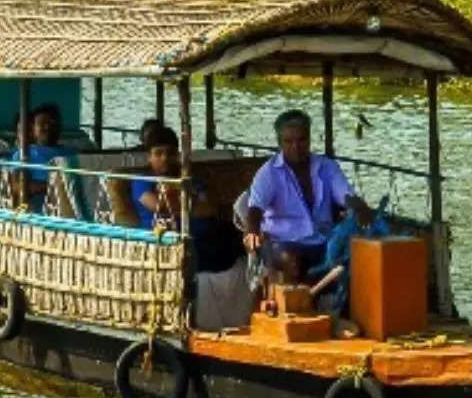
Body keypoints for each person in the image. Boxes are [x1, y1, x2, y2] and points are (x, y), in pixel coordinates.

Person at [243, 109, 372, 279]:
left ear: (309, 139)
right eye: (288, 141)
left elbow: (346, 195)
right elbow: (255, 210)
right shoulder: (268, 172)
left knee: (362, 256)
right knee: (292, 260)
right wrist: (252, 232)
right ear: (280, 143)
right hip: (282, 242)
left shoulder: (327, 167)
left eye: (301, 140)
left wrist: (359, 207)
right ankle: (296, 304)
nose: (296, 147)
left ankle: (343, 305)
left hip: (323, 240)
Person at [130, 126, 242, 273]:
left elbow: (209, 209)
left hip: (206, 235)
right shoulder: (142, 181)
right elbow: (158, 205)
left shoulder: (191, 180)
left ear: (177, 155)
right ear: (149, 157)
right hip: (169, 239)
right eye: (158, 153)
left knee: (237, 232)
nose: (165, 158)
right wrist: (189, 201)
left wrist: (175, 195)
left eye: (170, 153)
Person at [10, 104, 76, 211]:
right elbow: (17, 186)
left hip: (74, 198)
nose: (48, 127)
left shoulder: (71, 152)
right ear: (33, 128)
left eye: (53, 123)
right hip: (42, 200)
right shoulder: (24, 154)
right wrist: (52, 187)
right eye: (42, 123)